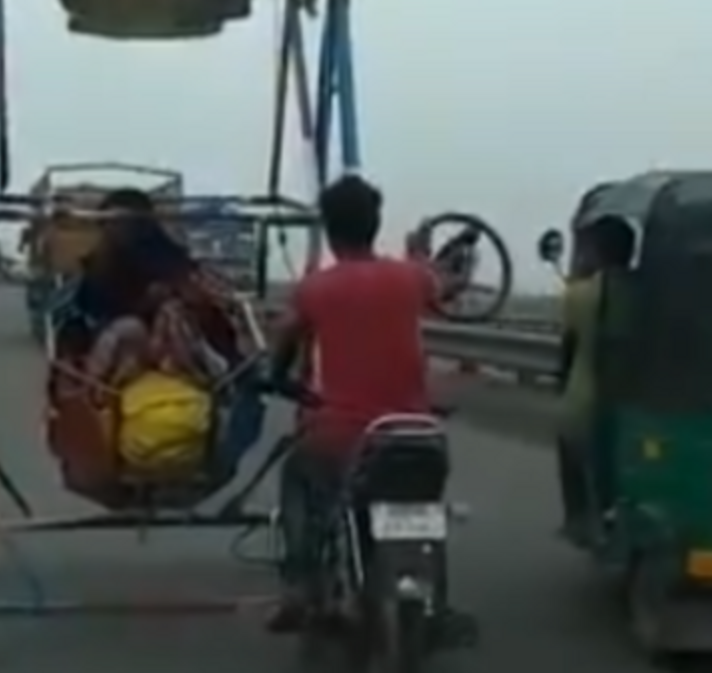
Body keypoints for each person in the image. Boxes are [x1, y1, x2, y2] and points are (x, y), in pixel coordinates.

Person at [265, 174, 441, 631]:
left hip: (343, 437)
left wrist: (277, 378)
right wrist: (420, 253)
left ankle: (300, 585)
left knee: (297, 475)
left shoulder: (314, 289)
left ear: (328, 228)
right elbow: (443, 285)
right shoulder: (411, 278)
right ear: (375, 223)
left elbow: (285, 341)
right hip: (415, 433)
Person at [62, 188, 240, 385]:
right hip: (121, 356)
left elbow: (201, 301)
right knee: (129, 328)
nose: (119, 230)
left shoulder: (169, 258)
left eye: (127, 223)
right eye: (112, 223)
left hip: (178, 356)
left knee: (175, 314)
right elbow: (82, 317)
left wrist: (188, 299)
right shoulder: (97, 267)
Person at [554, 217, 634, 547]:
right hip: (643, 400)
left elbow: (568, 349)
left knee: (568, 439)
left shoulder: (580, 295)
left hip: (587, 397)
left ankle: (579, 518)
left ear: (597, 251)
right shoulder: (649, 292)